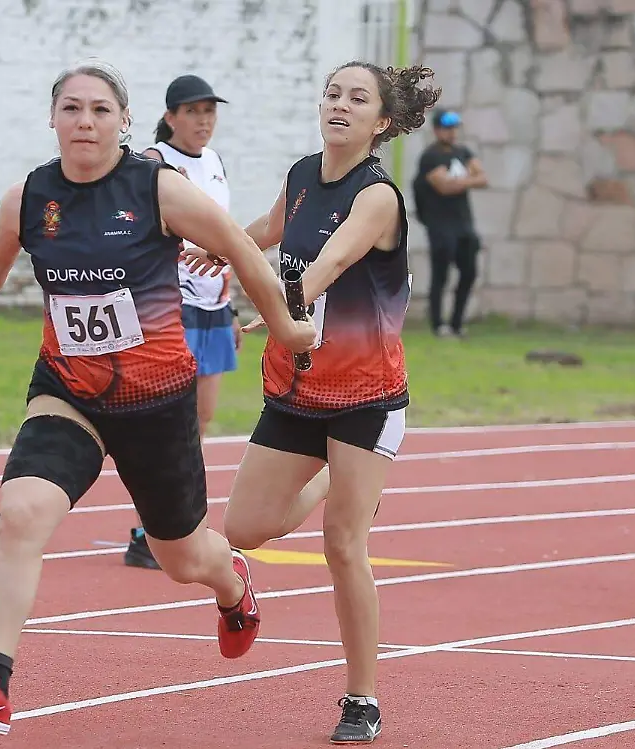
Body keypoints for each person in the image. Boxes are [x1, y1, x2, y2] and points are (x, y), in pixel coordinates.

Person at [0, 58, 317, 737]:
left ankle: (232, 582)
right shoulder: (29, 198)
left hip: (156, 402)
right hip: (69, 390)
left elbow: (237, 246)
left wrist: (284, 326)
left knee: (181, 559)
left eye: (100, 110)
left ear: (125, 121)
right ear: (52, 119)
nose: (85, 121)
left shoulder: (157, 189)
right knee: (21, 512)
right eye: (72, 108)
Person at [183, 60, 441, 744]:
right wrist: (226, 245)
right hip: (297, 387)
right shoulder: (302, 175)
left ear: (382, 121)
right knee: (243, 528)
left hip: (365, 394)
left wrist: (275, 306)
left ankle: (362, 698)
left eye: (357, 98)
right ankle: (334, 474)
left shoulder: (377, 196)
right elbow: (271, 229)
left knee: (342, 545)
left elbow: (328, 264)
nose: (340, 105)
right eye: (332, 94)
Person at [123, 73, 238, 572]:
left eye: (209, 111)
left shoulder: (214, 162)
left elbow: (223, 235)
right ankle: (149, 530)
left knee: (201, 420)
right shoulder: (153, 164)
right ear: (170, 117)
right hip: (171, 306)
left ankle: (176, 525)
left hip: (214, 307)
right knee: (169, 424)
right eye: (192, 111)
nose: (203, 120)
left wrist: (231, 304)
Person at [411, 109, 488, 338]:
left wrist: (457, 180)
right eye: (446, 128)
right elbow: (442, 186)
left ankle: (457, 323)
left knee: (469, 273)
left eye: (454, 128)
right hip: (440, 225)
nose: (451, 133)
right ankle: (438, 324)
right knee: (440, 275)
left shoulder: (463, 152)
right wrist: (467, 179)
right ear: (436, 130)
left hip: (463, 223)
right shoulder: (430, 157)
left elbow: (483, 178)